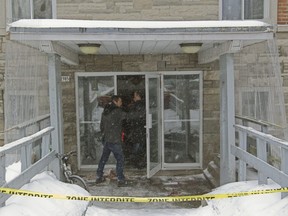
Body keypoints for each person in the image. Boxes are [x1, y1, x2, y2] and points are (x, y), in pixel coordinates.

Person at [96, 95, 128, 187]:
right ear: (115, 101)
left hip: (107, 139)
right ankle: (120, 179)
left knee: (103, 158)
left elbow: (102, 126)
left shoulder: (106, 111)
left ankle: (99, 176)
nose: (121, 103)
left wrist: (105, 135)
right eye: (120, 101)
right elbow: (128, 117)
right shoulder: (117, 111)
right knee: (120, 159)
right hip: (114, 140)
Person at [127, 90, 146, 169]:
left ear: (138, 96)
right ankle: (139, 162)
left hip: (137, 130)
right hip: (140, 130)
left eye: (135, 95)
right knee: (139, 146)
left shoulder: (136, 106)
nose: (134, 97)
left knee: (137, 146)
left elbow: (132, 118)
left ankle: (136, 162)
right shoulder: (141, 105)